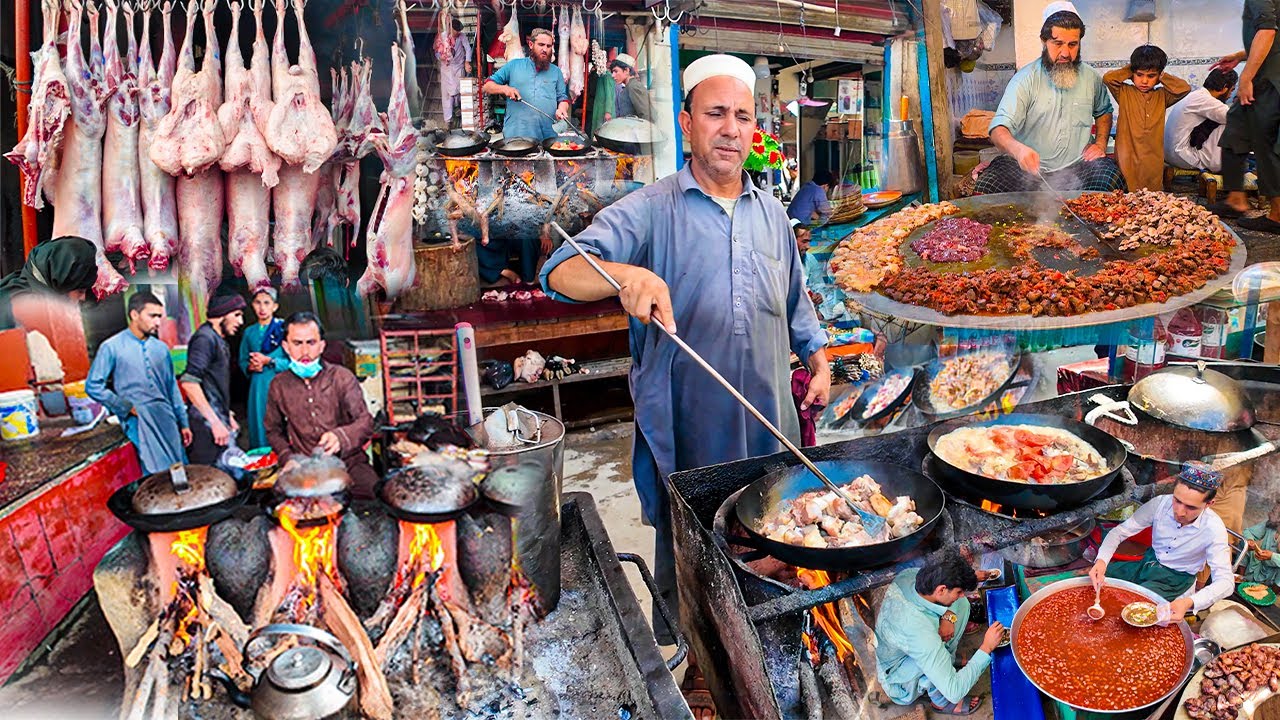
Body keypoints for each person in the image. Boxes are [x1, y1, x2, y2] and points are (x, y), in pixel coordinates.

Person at [541, 52, 830, 650]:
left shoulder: (773, 214)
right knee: (692, 552)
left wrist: (818, 357)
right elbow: (561, 271)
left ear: (756, 130)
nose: (731, 129)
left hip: (770, 419)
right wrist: (626, 277)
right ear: (687, 120)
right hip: (691, 427)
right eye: (716, 113)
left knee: (771, 537)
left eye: (744, 117)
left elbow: (795, 297)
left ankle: (765, 642)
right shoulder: (652, 207)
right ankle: (689, 665)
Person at [975, 3, 1124, 194]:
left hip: (1079, 167)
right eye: (1058, 43)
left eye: (1072, 44)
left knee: (1111, 181)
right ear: (1044, 41)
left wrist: (1100, 144)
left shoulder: (1091, 78)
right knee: (987, 185)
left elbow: (1104, 111)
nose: (1065, 53)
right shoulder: (1024, 80)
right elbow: (998, 130)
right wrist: (1019, 151)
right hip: (1030, 171)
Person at [1090, 464, 1234, 620]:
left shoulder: (1213, 529)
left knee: (1131, 612)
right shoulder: (1159, 504)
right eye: (1177, 500)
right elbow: (1119, 532)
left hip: (1175, 581)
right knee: (1095, 583)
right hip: (1147, 565)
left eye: (1190, 507)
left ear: (1208, 504)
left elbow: (1226, 582)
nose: (1179, 512)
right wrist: (1102, 561)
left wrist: (1189, 602)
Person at [875, 548, 1006, 716]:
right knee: (946, 681)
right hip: (899, 678)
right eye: (958, 591)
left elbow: (947, 599)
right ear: (941, 590)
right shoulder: (921, 635)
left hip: (910, 643)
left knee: (962, 605)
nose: (961, 595)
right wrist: (986, 647)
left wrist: (948, 616)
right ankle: (941, 703)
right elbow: (955, 690)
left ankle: (947, 660)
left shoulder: (911, 576)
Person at [264, 312, 377, 498]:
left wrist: (340, 437)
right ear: (286, 347)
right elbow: (272, 430)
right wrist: (287, 457)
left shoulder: (342, 377)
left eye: (311, 343)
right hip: (304, 466)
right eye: (297, 343)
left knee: (373, 495)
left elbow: (365, 421)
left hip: (350, 463)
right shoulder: (278, 385)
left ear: (322, 346)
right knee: (282, 505)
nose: (305, 352)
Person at [87, 292, 192, 474]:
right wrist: (125, 407)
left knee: (180, 470)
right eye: (152, 316)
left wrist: (183, 422)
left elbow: (171, 387)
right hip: (138, 419)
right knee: (154, 475)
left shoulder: (160, 348)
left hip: (166, 417)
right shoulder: (111, 347)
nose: (158, 322)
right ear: (134, 315)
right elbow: (93, 386)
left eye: (160, 316)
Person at [1210, 0, 1280, 233]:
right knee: (1236, 130)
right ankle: (1236, 199)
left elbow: (1268, 31)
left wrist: (1246, 77)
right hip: (1262, 78)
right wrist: (1242, 56)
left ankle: (1277, 216)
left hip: (1270, 82)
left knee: (1267, 145)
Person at [1103, 45, 1190, 191]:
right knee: (1126, 196)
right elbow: (1108, 78)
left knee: (1151, 198)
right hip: (1127, 156)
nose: (1144, 81)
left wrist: (1162, 76)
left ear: (1158, 76)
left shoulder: (1162, 96)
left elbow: (1184, 88)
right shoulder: (1124, 92)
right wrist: (1132, 68)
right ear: (1132, 74)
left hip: (1152, 159)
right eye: (1139, 75)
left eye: (1151, 76)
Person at [181, 294, 246, 465]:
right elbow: (189, 383)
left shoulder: (218, 339)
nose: (241, 321)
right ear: (222, 315)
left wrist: (227, 414)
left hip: (216, 418)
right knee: (214, 480)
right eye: (237, 315)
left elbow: (213, 386)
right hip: (205, 425)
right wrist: (215, 422)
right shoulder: (205, 338)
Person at [482, 28, 570, 140]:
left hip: (547, 134)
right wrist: (505, 89)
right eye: (541, 45)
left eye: (548, 46)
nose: (545, 49)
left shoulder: (556, 71)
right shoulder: (514, 65)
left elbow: (563, 98)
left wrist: (562, 108)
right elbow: (487, 86)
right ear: (531, 44)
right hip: (517, 132)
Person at [0, 236, 98, 330]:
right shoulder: (20, 307)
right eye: (80, 291)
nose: (83, 298)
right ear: (60, 282)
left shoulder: (35, 285)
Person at [239, 288, 287, 450]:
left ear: (275, 306)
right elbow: (242, 360)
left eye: (267, 303)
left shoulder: (284, 330)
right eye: (258, 303)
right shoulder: (249, 332)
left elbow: (293, 362)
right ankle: (262, 465)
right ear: (252, 305)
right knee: (260, 422)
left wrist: (270, 361)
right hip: (258, 386)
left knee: (282, 423)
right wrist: (250, 366)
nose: (262, 308)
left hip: (281, 383)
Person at [1165, 68, 1239, 173]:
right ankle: (1217, 165)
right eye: (1231, 90)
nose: (1230, 95)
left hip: (1170, 154)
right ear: (1224, 88)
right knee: (1230, 123)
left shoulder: (1198, 95)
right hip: (1182, 156)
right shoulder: (1205, 100)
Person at [435, 18, 472, 128]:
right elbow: (437, 52)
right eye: (456, 31)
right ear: (451, 28)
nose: (458, 33)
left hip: (458, 67)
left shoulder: (462, 37)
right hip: (446, 68)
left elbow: (468, 49)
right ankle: (448, 121)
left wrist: (467, 62)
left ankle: (458, 111)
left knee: (458, 90)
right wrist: (442, 57)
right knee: (447, 95)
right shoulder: (442, 36)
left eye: (459, 31)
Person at [1241, 504, 1280, 585]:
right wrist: (1250, 540)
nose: (1269, 513)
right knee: (1244, 544)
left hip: (1273, 574)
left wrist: (1272, 556)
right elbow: (1248, 532)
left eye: (1273, 512)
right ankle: (1240, 579)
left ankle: (1272, 594)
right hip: (1260, 564)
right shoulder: (1270, 524)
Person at [609, 54, 651, 121]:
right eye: (612, 72)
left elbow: (646, 115)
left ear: (626, 70)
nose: (613, 75)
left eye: (615, 71)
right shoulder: (629, 87)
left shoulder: (634, 87)